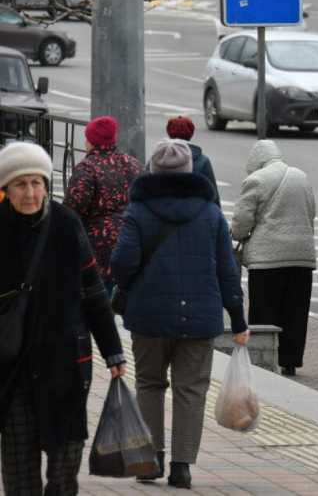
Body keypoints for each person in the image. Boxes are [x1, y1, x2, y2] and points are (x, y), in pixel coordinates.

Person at [110, 140, 249, 489]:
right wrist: (238, 318)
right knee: (191, 390)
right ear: (189, 171)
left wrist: (128, 288)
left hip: (149, 317)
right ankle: (182, 466)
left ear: (153, 171)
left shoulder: (138, 211)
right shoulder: (211, 213)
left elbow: (122, 264)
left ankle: (151, 459)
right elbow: (227, 271)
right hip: (200, 317)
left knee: (149, 384)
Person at [0, 142, 126, 495]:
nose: (30, 192)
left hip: (65, 364)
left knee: (64, 468)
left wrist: (113, 351)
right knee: (19, 470)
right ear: (6, 189)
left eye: (36, 182)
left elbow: (93, 291)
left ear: (46, 183)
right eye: (20, 184)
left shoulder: (66, 224)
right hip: (12, 368)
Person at [231, 140, 315, 377]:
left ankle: (263, 359)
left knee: (264, 310)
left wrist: (239, 235)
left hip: (267, 260)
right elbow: (311, 211)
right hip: (301, 256)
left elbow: (241, 222)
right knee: (296, 311)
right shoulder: (301, 176)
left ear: (256, 161)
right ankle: (290, 361)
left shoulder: (256, 180)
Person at [64, 115, 143, 295]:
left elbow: (70, 210)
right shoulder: (134, 165)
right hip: (132, 244)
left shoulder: (87, 168)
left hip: (98, 251)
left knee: (98, 309)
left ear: (91, 141)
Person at [165, 116, 221, 206]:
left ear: (169, 132)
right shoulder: (202, 161)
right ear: (191, 133)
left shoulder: (158, 158)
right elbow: (213, 194)